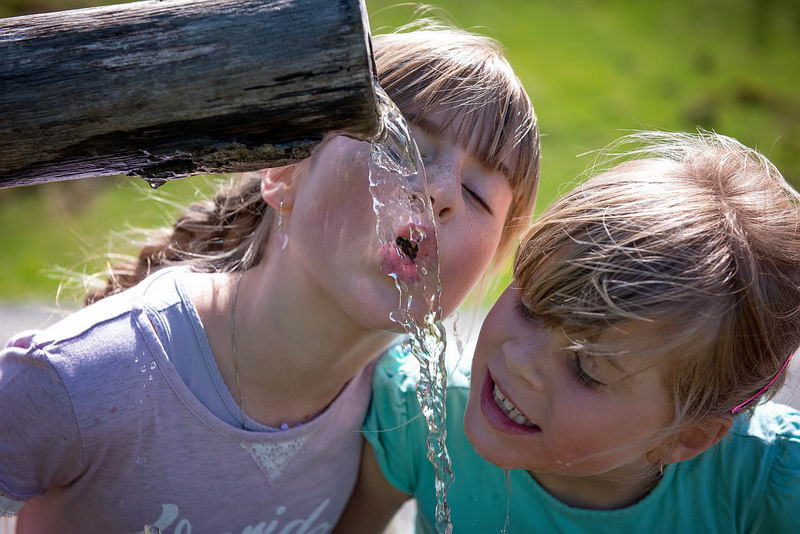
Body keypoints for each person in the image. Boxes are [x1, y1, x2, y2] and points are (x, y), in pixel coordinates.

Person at [0, 24, 540, 532]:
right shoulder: (88, 375)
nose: (439, 193)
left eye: (477, 195)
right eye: (402, 149)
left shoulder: (401, 413)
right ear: (283, 173)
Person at [338, 131, 800, 533]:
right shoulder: (421, 413)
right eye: (531, 306)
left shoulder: (767, 487)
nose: (521, 359)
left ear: (686, 437)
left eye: (586, 368)